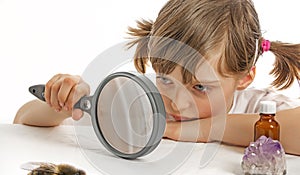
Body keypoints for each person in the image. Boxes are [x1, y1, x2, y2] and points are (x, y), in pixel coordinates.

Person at [14, 0, 300, 155]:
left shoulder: (261, 110)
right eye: (165, 80)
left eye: (199, 87)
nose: (177, 102)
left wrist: (183, 131)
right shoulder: (138, 100)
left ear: (245, 77)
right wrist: (65, 102)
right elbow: (23, 121)